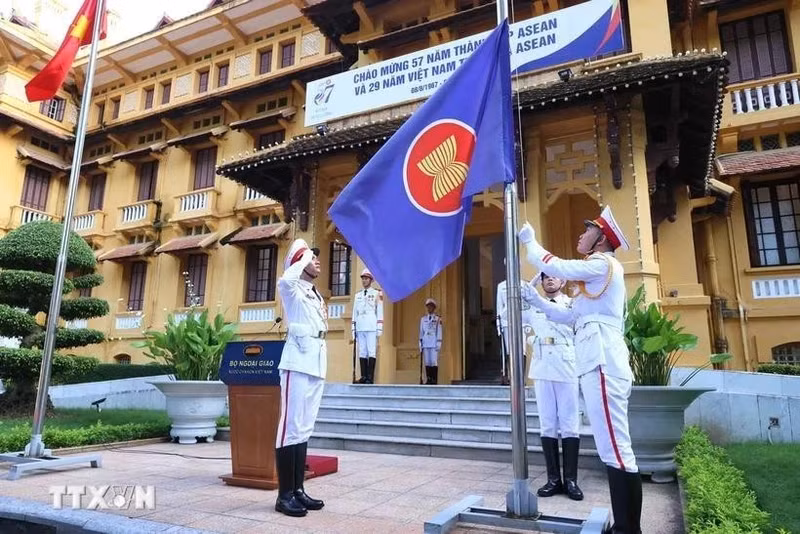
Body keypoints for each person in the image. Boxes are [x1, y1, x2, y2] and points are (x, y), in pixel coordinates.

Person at [518, 205, 642, 534]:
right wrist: (535, 300)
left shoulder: (602, 263)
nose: (581, 234)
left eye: (587, 230)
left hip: (602, 362)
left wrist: (531, 244)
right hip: (595, 363)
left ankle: (628, 529)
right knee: (611, 447)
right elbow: (567, 315)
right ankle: (625, 526)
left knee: (616, 448)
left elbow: (558, 266)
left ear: (601, 239)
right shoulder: (594, 278)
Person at [274, 238, 327, 518]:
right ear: (299, 263)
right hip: (296, 363)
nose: (317, 260)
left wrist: (305, 256)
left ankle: (297, 491)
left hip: (314, 362)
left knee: (303, 428)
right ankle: (283, 496)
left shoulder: (313, 293)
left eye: (315, 257)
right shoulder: (292, 289)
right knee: (289, 427)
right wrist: (301, 257)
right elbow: (285, 279)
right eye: (311, 258)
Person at [525, 272, 583, 501]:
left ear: (563, 281)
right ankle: (553, 480)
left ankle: (571, 480)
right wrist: (529, 286)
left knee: (570, 424)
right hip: (542, 367)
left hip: (567, 366)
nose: (549, 280)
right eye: (545, 277)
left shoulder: (572, 304)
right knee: (547, 423)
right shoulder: (533, 307)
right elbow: (508, 315)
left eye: (554, 277)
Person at [351, 268, 383, 384]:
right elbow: (355, 312)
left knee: (371, 351)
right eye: (363, 279)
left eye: (366, 279)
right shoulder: (357, 295)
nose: (364, 281)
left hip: (371, 326)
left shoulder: (376, 293)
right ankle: (363, 376)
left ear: (371, 280)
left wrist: (379, 327)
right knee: (362, 351)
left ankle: (370, 377)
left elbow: (379, 310)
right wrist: (353, 328)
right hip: (360, 326)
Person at [419, 298, 443, 384]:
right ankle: (428, 378)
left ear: (434, 308)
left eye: (431, 307)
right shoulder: (423, 319)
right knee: (427, 361)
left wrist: (439, 343)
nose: (429, 308)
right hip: (426, 343)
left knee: (433, 361)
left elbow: (439, 331)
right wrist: (420, 343)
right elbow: (421, 332)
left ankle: (434, 379)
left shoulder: (437, 319)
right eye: (428, 307)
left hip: (433, 343)